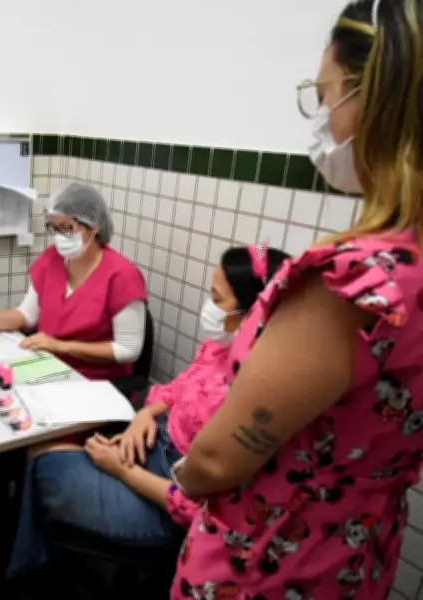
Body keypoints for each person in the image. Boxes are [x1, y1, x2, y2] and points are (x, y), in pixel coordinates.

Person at [168, 1, 423, 597]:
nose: (325, 120)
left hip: (265, 565)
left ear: (375, 95)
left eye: (325, 94)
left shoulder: (349, 284)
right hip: (355, 556)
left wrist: (173, 477)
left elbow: (216, 462)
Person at [7, 245, 289, 576]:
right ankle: (35, 559)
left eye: (218, 299)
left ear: (255, 310)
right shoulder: (218, 348)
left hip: (164, 502)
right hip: (149, 450)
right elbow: (175, 391)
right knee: (45, 448)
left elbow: (198, 509)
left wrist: (122, 471)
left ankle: (31, 566)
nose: (209, 307)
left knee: (45, 461)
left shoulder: (260, 397)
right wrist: (146, 415)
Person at [0, 182, 147, 381]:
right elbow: (27, 315)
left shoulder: (122, 275)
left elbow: (128, 350)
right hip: (48, 368)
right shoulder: (51, 259)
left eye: (67, 228)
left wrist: (61, 346)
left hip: (95, 383)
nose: (60, 237)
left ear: (94, 227)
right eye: (54, 228)